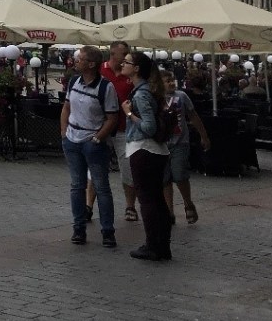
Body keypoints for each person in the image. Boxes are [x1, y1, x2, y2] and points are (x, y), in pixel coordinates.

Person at [59, 45, 119, 248]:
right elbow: (66, 107)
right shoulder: (74, 81)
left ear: (91, 64)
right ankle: (78, 228)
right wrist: (64, 133)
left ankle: (108, 231)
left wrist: (97, 138)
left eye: (80, 58)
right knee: (77, 187)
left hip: (93, 143)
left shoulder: (105, 87)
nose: (76, 61)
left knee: (101, 187)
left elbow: (112, 117)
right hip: (72, 140)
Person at [121, 51, 173, 261]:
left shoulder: (141, 94)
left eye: (127, 62)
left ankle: (153, 245)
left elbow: (149, 126)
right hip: (155, 151)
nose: (123, 64)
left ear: (136, 69)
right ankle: (162, 245)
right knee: (157, 199)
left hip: (144, 149)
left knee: (147, 199)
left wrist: (129, 114)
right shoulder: (148, 91)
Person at [88, 41, 138, 223]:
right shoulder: (100, 71)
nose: (126, 56)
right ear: (112, 54)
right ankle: (88, 206)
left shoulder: (130, 73)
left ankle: (130, 206)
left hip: (125, 128)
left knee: (127, 169)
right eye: (123, 53)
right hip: (102, 127)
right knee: (96, 169)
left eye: (127, 53)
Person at [163, 74, 210, 226]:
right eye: (167, 81)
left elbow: (193, 116)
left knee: (179, 174)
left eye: (172, 80)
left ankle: (188, 203)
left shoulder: (181, 96)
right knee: (165, 179)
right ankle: (169, 212)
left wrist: (203, 135)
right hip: (162, 144)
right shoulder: (155, 97)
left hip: (180, 142)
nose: (171, 83)